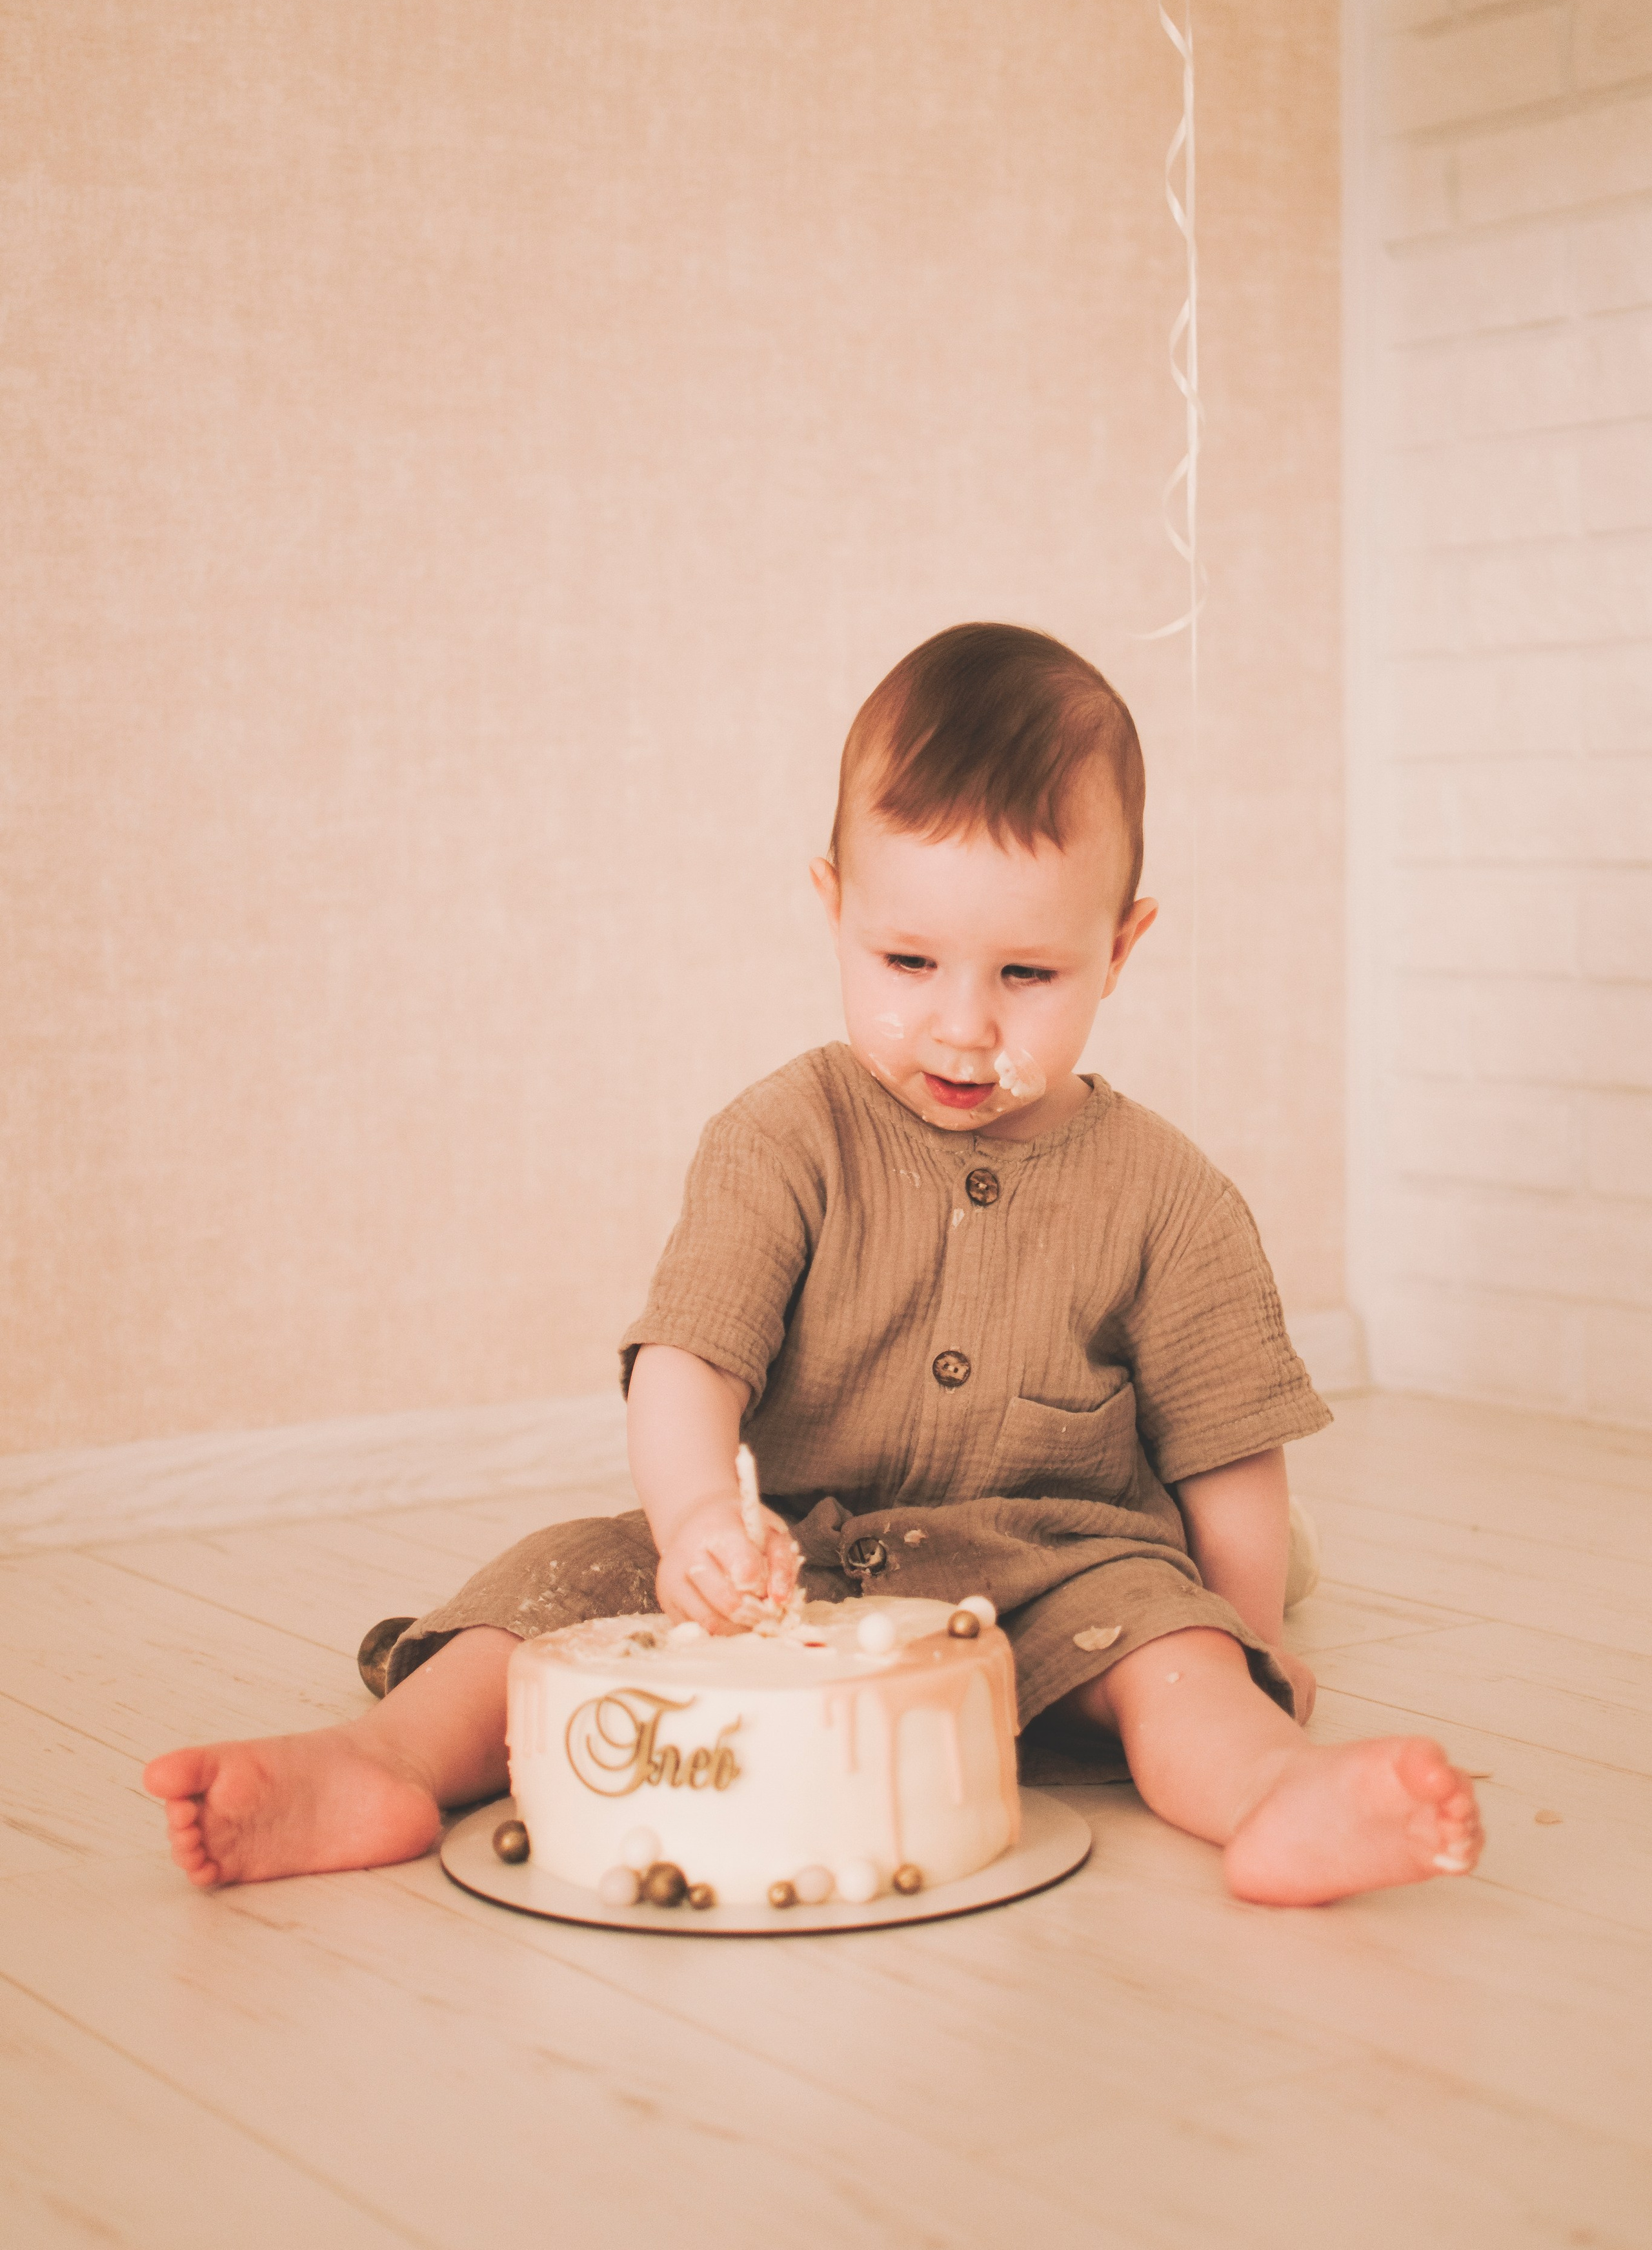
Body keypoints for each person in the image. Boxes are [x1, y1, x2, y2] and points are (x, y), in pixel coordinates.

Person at [146, 623, 1483, 1905]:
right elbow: (688, 1362)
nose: (961, 1027)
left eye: (1026, 974)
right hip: (780, 1561)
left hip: (1049, 1577)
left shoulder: (1169, 1196)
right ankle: (379, 1768)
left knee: (1172, 1646)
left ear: (1118, 950)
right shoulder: (783, 1138)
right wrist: (695, 1522)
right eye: (907, 961)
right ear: (833, 909)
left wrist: (1247, 1641)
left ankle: (1268, 1793)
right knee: (552, 1589)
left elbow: (1228, 1451)